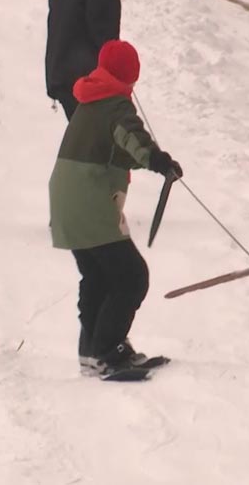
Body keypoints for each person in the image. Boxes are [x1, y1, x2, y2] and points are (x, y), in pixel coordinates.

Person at [48, 40, 183, 376]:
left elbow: (114, 149)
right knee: (131, 276)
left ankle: (92, 353)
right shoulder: (114, 104)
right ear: (130, 75)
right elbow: (132, 138)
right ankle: (109, 349)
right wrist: (157, 160)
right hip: (90, 202)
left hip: (66, 203)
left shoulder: (90, 99)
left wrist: (155, 164)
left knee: (97, 276)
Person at [45, 0, 123, 121]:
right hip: (87, 77)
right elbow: (104, 32)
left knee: (85, 138)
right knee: (100, 139)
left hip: (60, 78)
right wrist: (116, 71)